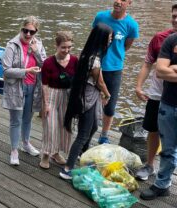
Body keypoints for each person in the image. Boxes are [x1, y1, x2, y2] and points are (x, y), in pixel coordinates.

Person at [60, 23, 112, 180]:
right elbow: (100, 82)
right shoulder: (94, 59)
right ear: (102, 38)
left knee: (94, 126)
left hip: (86, 96)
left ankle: (82, 154)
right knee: (83, 134)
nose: (110, 41)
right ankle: (67, 169)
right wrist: (107, 95)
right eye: (109, 38)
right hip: (87, 99)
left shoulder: (87, 53)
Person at [135, 4, 177, 181]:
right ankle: (150, 165)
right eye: (174, 16)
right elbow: (148, 64)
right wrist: (138, 86)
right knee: (153, 129)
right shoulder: (160, 38)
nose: (175, 19)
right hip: (157, 93)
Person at [1, 16, 47, 165]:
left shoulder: (38, 45)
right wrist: (26, 71)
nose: (28, 34)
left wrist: (36, 53)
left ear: (36, 32)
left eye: (31, 32)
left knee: (28, 119)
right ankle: (14, 150)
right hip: (16, 87)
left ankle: (26, 143)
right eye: (25, 30)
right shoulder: (11, 45)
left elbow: (45, 66)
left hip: (33, 88)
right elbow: (6, 70)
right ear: (21, 29)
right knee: (16, 120)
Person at [92, 0, 139, 144]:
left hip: (114, 69)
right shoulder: (100, 16)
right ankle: (87, 131)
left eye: (123, 0)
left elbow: (126, 46)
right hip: (95, 66)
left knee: (110, 106)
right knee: (90, 102)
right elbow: (93, 38)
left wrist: (114, 57)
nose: (118, 1)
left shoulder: (131, 25)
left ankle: (104, 135)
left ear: (129, 2)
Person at [139, 29, 177, 200]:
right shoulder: (170, 41)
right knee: (167, 149)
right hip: (168, 103)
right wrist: (168, 69)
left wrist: (174, 68)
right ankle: (162, 184)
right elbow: (160, 71)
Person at [40, 31, 78, 169]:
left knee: (64, 127)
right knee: (50, 127)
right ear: (56, 45)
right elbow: (44, 84)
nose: (66, 50)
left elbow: (77, 81)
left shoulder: (74, 60)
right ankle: (45, 154)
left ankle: (55, 153)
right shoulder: (48, 62)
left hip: (67, 96)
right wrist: (46, 104)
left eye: (69, 47)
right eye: (63, 47)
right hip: (52, 94)